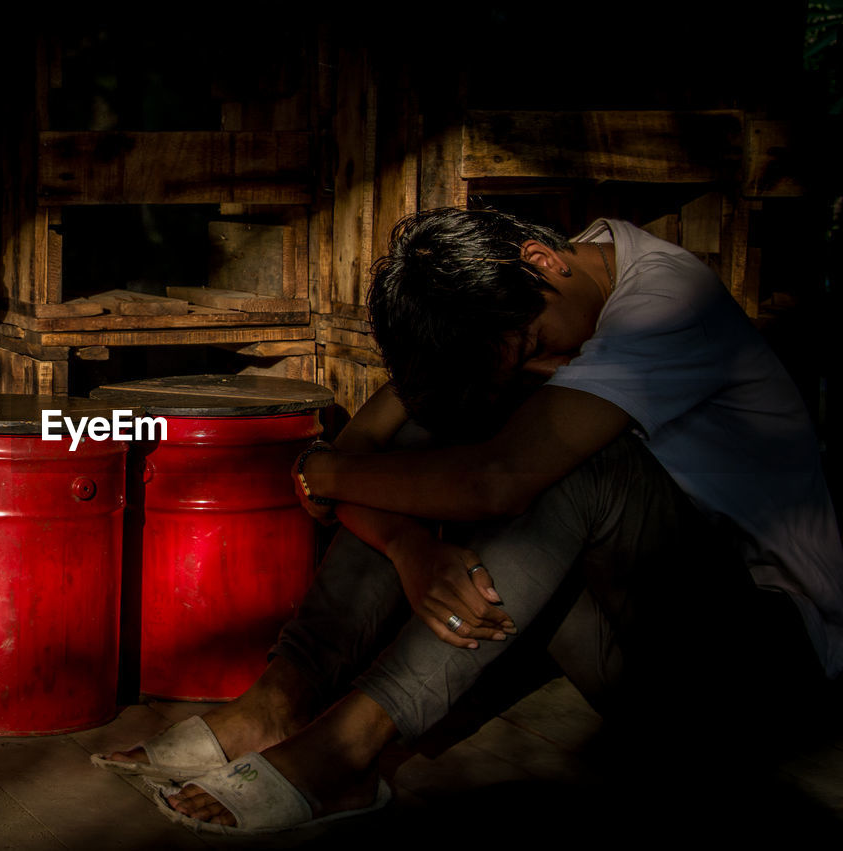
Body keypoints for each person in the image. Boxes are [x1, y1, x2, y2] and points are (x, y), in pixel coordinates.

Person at [91, 207, 843, 834]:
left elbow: (484, 479)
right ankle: (281, 699)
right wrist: (408, 543)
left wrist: (325, 472)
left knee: (567, 458)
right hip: (637, 661)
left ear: (543, 259)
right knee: (453, 417)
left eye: (535, 348)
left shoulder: (669, 302)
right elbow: (376, 433)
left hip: (756, 673)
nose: (540, 364)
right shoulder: (535, 288)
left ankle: (352, 750)